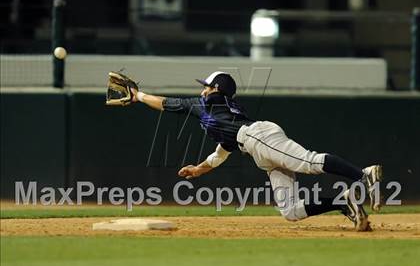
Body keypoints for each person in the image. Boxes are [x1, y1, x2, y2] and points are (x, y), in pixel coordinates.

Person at [129, 71, 382, 231]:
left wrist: (138, 96)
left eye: (206, 85)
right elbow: (220, 154)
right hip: (255, 146)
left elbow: (166, 103)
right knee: (291, 211)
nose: (202, 90)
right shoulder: (220, 113)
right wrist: (198, 169)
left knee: (309, 162)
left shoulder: (209, 103)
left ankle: (363, 174)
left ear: (216, 89)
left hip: (258, 138)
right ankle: (342, 202)